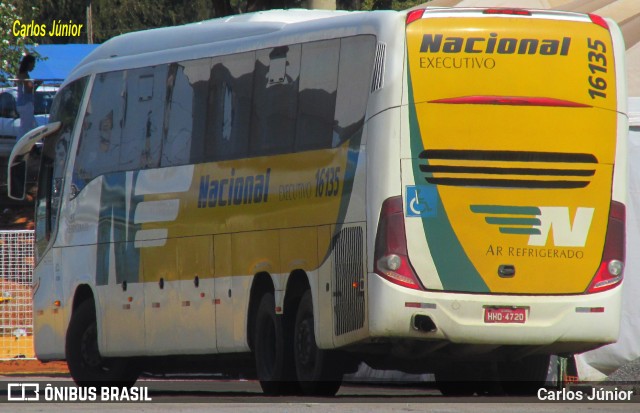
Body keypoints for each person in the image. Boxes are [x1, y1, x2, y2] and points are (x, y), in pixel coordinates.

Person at [16, 54, 42, 138]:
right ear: (29, 63)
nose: (33, 66)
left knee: (28, 126)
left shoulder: (21, 74)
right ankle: (20, 144)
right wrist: (38, 84)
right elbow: (29, 90)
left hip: (22, 103)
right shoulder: (24, 76)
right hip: (26, 103)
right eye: (33, 64)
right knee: (26, 127)